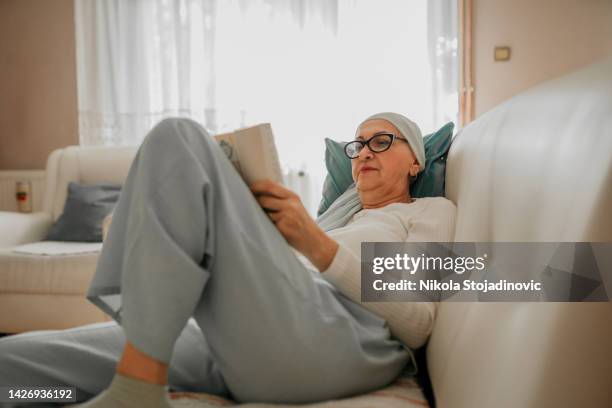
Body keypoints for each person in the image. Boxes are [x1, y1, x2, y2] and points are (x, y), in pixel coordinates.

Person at [0, 112, 455, 407]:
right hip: (256, 329)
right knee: (18, 365)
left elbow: (416, 321)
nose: (363, 153)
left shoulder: (428, 211)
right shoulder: (332, 217)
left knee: (178, 138)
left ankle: (138, 388)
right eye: (357, 146)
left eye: (382, 142)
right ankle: (129, 380)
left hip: (345, 340)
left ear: (416, 162)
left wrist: (315, 244)